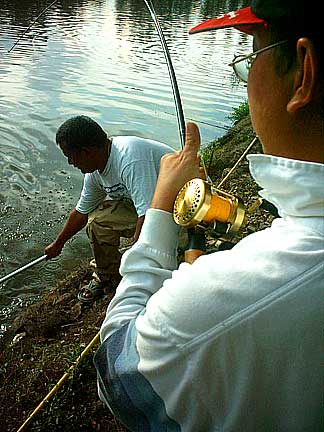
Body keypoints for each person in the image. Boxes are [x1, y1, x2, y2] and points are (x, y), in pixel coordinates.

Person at [94, 1, 323, 431]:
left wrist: (162, 210)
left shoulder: (235, 296)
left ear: (303, 73)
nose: (245, 82)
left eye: (250, 59)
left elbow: (117, 374)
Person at [45, 115, 174, 302]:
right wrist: (58, 244)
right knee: (97, 221)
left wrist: (134, 261)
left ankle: (144, 275)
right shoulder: (96, 171)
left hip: (182, 210)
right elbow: (81, 213)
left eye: (70, 157)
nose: (70, 163)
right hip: (151, 206)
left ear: (86, 152)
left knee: (150, 252)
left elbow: (148, 216)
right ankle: (108, 276)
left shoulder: (130, 159)